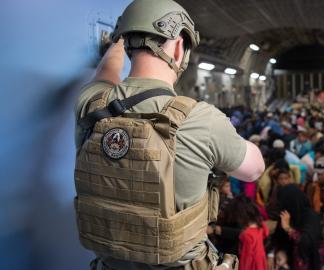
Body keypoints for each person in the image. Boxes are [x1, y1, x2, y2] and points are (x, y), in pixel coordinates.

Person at [74, 0, 265, 269]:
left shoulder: (90, 104)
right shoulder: (202, 120)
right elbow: (254, 170)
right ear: (178, 47)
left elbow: (106, 72)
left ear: (127, 43)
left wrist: (118, 42)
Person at [269, 184, 323, 270]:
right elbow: (278, 238)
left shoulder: (311, 217)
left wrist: (288, 228)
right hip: (288, 261)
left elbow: (306, 243)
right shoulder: (286, 215)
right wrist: (278, 252)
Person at [233, 196, 269, 270]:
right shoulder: (261, 225)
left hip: (252, 265)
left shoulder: (246, 234)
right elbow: (266, 233)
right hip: (260, 261)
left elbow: (246, 259)